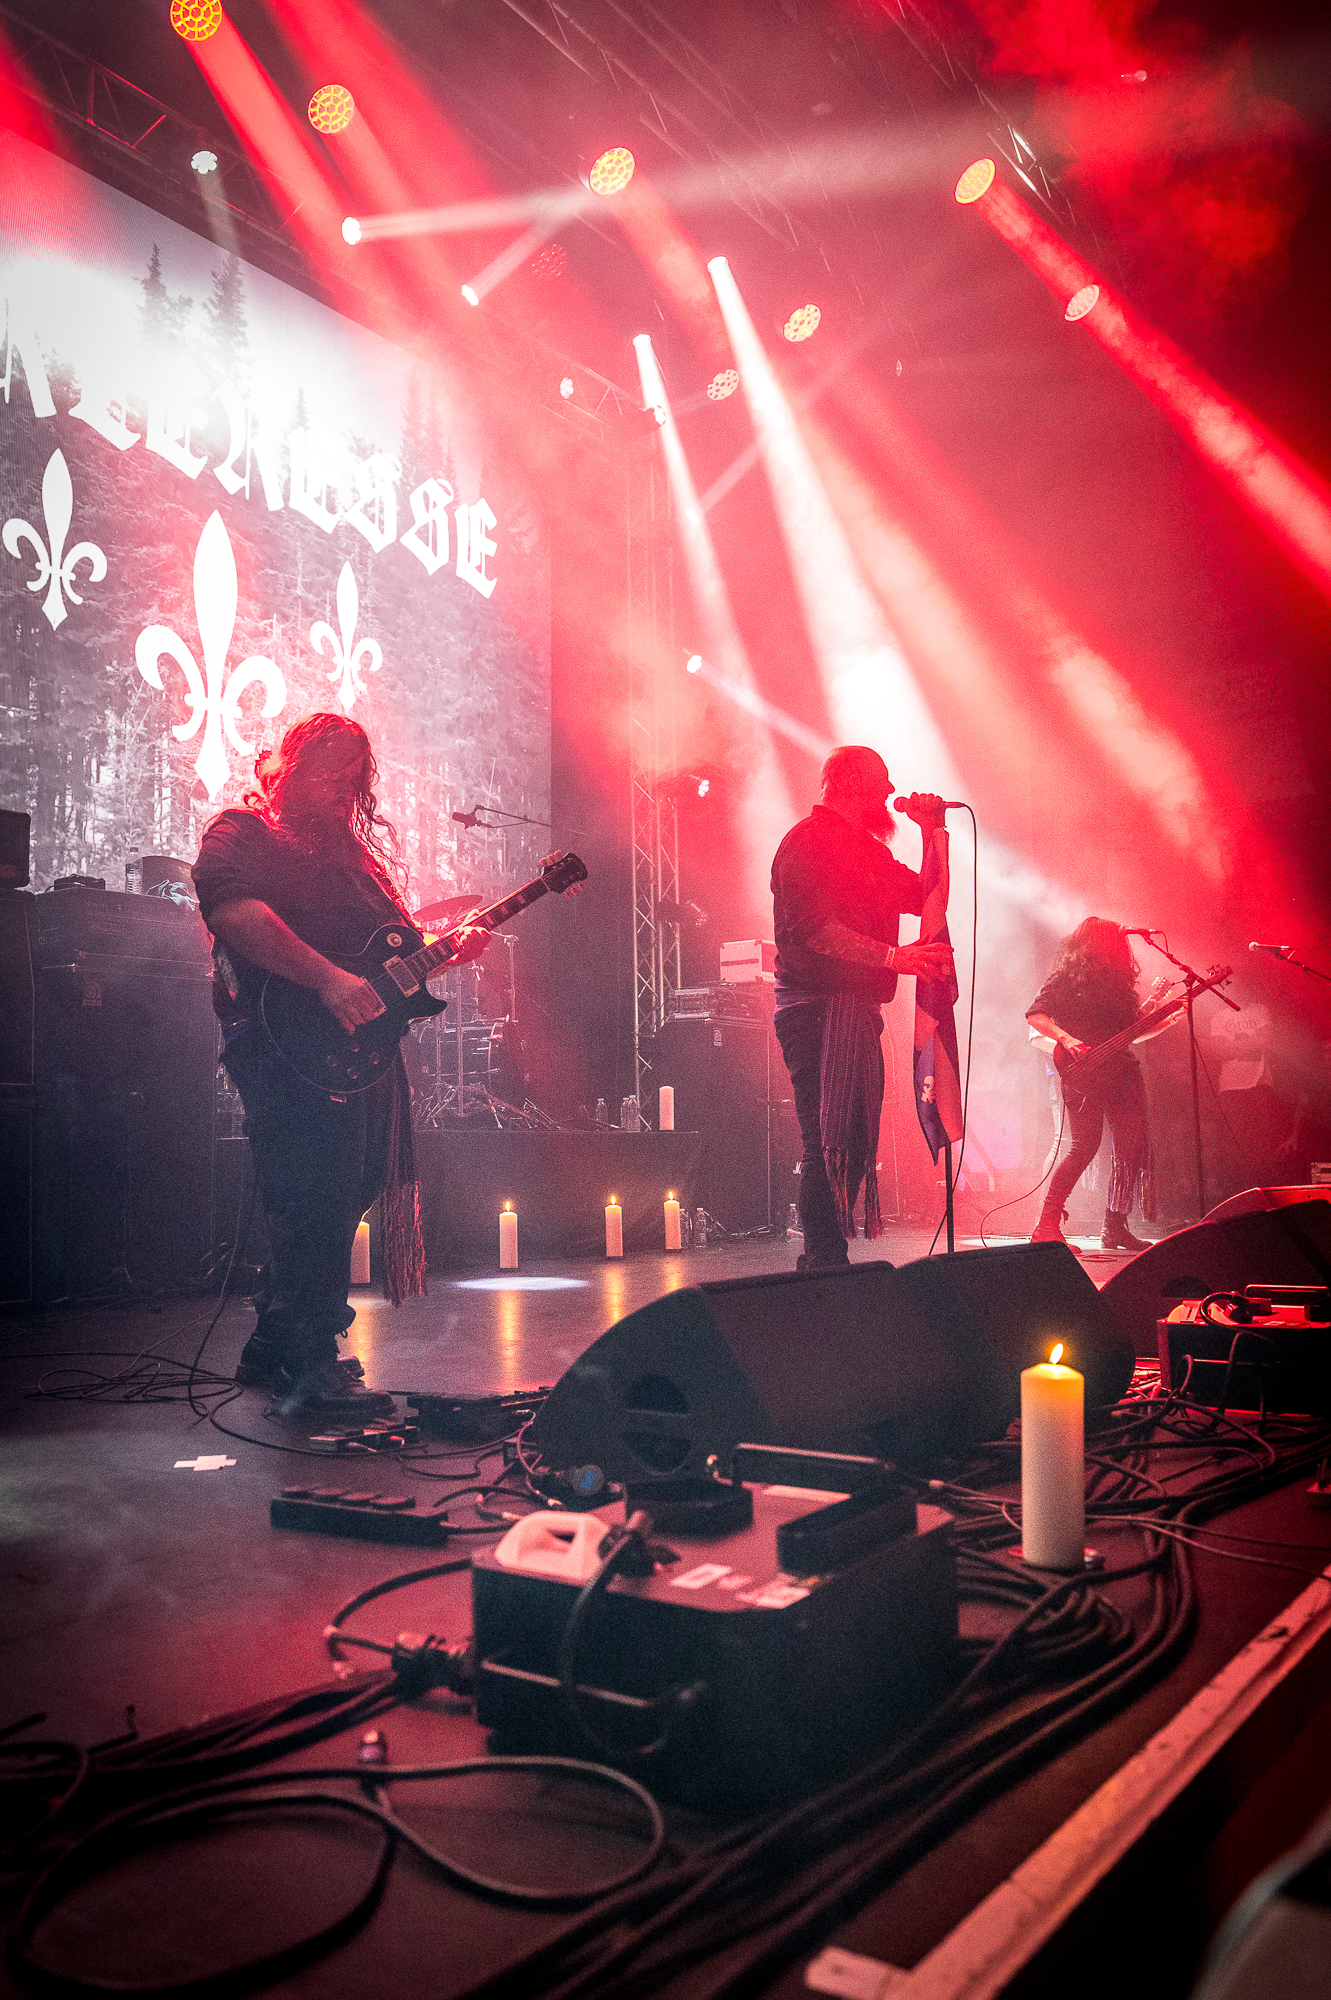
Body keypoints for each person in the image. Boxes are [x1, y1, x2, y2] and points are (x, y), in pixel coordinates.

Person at [192, 712, 488, 1420]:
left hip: (352, 1050)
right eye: (328, 773)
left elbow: (387, 956)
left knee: (348, 1186)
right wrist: (327, 979)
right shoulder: (242, 830)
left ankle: (273, 1341)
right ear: (290, 767)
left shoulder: (354, 859)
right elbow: (232, 912)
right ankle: (309, 1361)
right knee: (311, 1190)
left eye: (353, 779)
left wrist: (444, 949)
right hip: (280, 1041)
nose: (341, 790)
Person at [771, 746, 954, 1272]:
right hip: (817, 1008)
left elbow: (923, 895)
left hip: (854, 1009)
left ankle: (829, 1260)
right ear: (848, 781)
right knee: (826, 1139)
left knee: (850, 1138)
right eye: (881, 779)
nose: (890, 790)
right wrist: (895, 957)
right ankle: (823, 1262)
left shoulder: (866, 850)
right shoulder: (807, 841)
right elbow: (815, 931)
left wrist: (932, 833)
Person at [1025, 917, 1179, 1254]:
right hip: (1082, 1069)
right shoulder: (1065, 978)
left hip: (1122, 1071)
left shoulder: (1119, 985)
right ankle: (1046, 1225)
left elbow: (1131, 1033)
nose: (1121, 945)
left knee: (1131, 1147)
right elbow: (1036, 1015)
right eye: (1114, 939)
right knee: (1084, 1146)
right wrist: (1066, 1039)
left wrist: (1164, 1022)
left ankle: (1115, 1226)